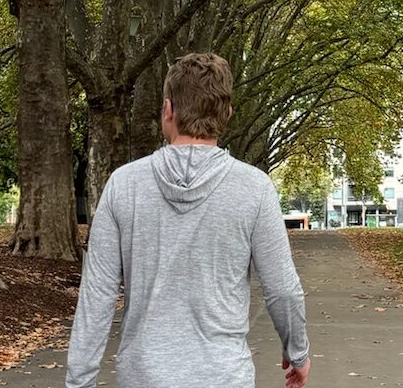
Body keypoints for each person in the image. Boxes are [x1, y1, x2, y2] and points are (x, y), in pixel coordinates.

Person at [66, 52, 310, 388]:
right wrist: (297, 352)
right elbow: (282, 289)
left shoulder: (124, 185)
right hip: (223, 377)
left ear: (168, 110)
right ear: (227, 114)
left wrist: (80, 381)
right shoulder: (254, 189)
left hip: (142, 377)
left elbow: (98, 293)